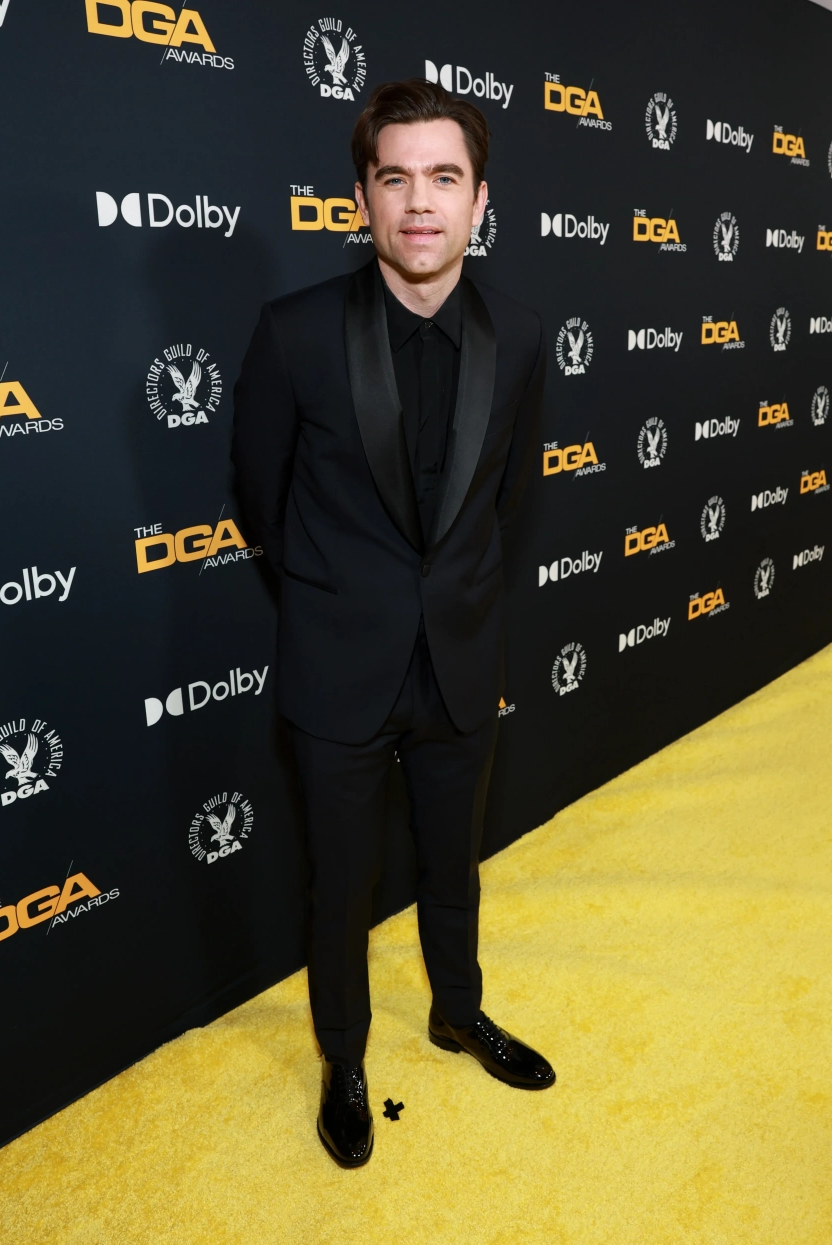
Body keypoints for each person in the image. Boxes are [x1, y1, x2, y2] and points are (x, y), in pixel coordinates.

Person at [232, 78, 554, 1168]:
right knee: (342, 885)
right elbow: (261, 498)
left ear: (479, 200)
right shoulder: (295, 333)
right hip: (338, 668)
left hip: (460, 657)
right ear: (362, 197)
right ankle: (344, 1058)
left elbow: (508, 496)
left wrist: (448, 597)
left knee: (454, 865)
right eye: (396, 178)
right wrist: (342, 593)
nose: (421, 202)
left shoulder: (520, 334)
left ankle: (457, 1011)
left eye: (445, 178)